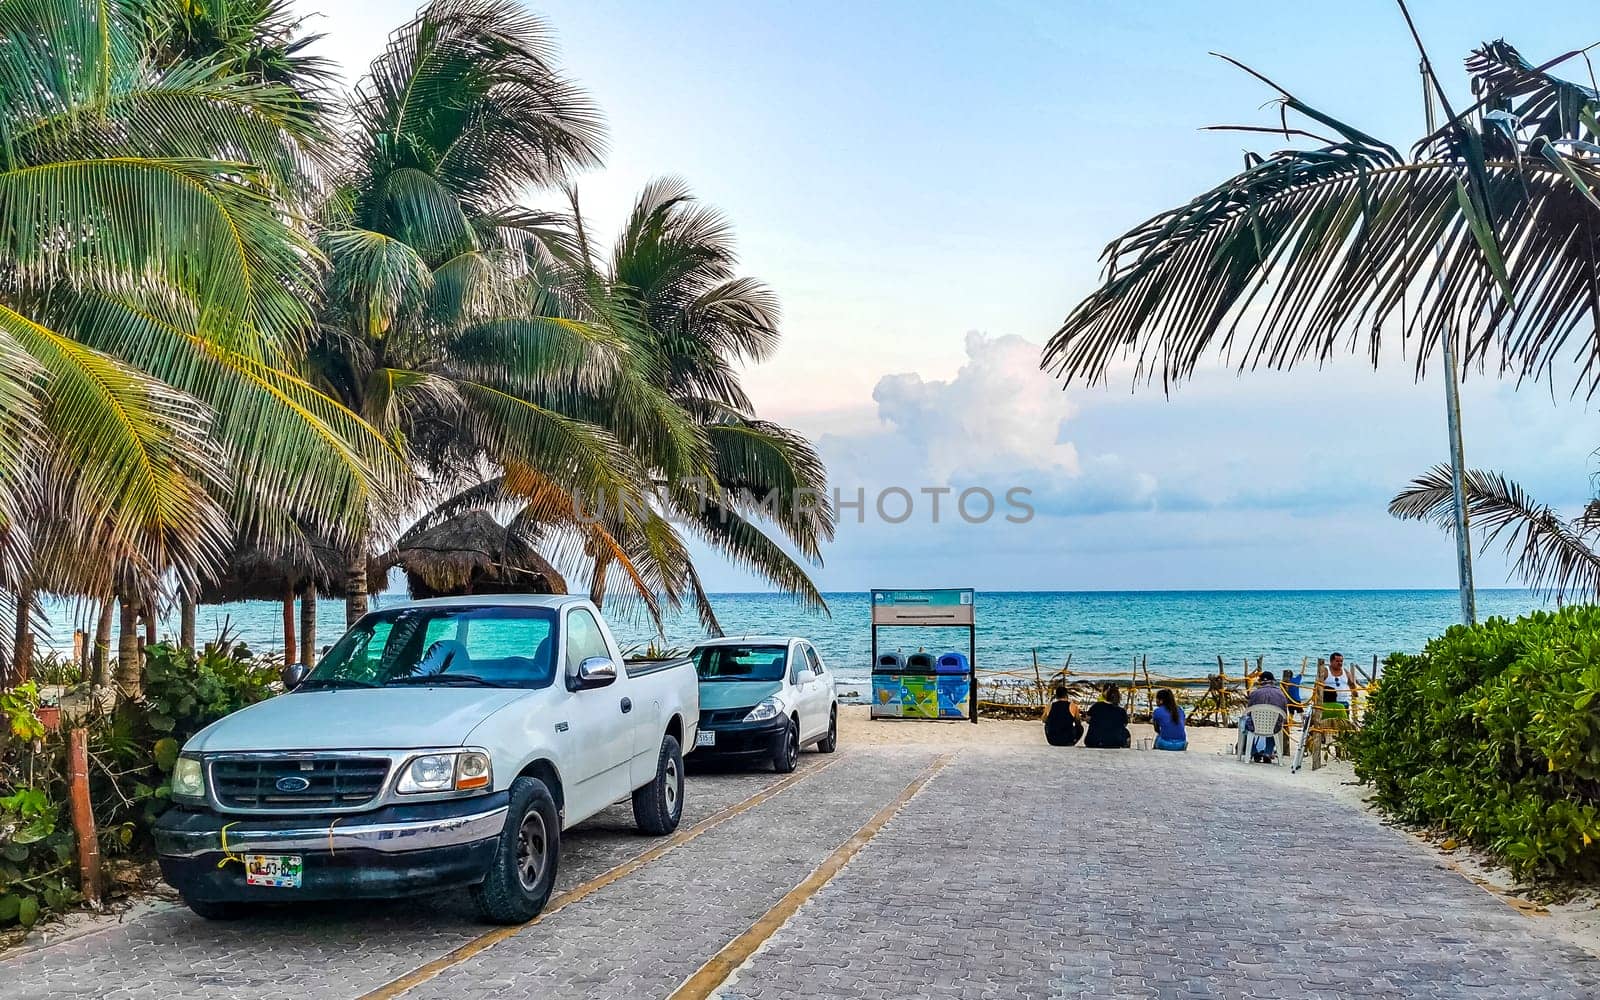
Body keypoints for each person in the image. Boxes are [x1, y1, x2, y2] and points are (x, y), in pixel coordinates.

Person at [1244, 670, 1289, 763]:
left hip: (1255, 726)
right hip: (1273, 727)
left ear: (1260, 681)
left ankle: (1253, 751)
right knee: (1275, 724)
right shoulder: (1281, 694)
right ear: (1273, 681)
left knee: (1244, 725)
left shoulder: (1255, 693)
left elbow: (1249, 712)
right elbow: (1284, 713)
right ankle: (1268, 752)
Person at [1084, 684, 1131, 748]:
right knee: (1126, 733)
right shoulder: (1121, 711)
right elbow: (1124, 725)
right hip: (1114, 742)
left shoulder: (1096, 706)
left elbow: (1087, 719)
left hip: (1093, 741)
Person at [1319, 652, 1355, 718]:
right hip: (1329, 702)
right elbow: (1318, 685)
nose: (1340, 663)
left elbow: (1352, 684)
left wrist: (1355, 693)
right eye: (1337, 661)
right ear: (1331, 661)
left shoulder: (1346, 672)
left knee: (1344, 721)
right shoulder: (1325, 671)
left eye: (1341, 661)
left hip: (1344, 701)